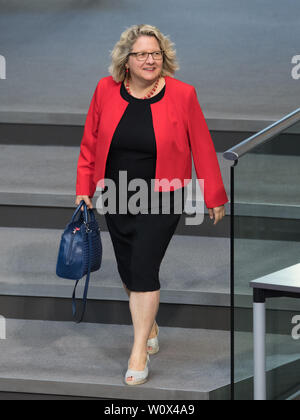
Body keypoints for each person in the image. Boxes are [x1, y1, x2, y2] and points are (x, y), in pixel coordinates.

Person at [75, 24, 228, 386]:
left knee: (143, 268)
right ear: (126, 61)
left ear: (164, 58)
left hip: (163, 195)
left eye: (156, 54)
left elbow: (202, 145)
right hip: (117, 194)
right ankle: (151, 323)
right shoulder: (105, 90)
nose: (150, 60)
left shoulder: (183, 94)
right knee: (128, 270)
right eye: (142, 54)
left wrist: (214, 194)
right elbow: (90, 140)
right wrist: (84, 186)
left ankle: (138, 350)